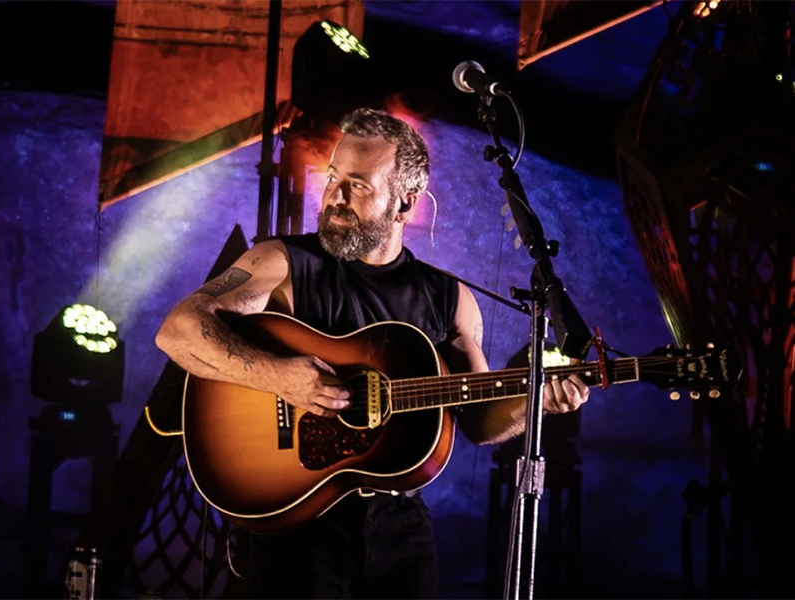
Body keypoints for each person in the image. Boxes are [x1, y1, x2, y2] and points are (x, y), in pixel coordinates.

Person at [154, 108, 589, 599]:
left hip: (400, 525)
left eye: (357, 186)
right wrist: (277, 377)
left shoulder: (449, 300)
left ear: (405, 203)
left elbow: (478, 420)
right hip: (298, 522)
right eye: (333, 178)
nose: (335, 197)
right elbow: (179, 331)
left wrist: (536, 403)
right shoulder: (283, 263)